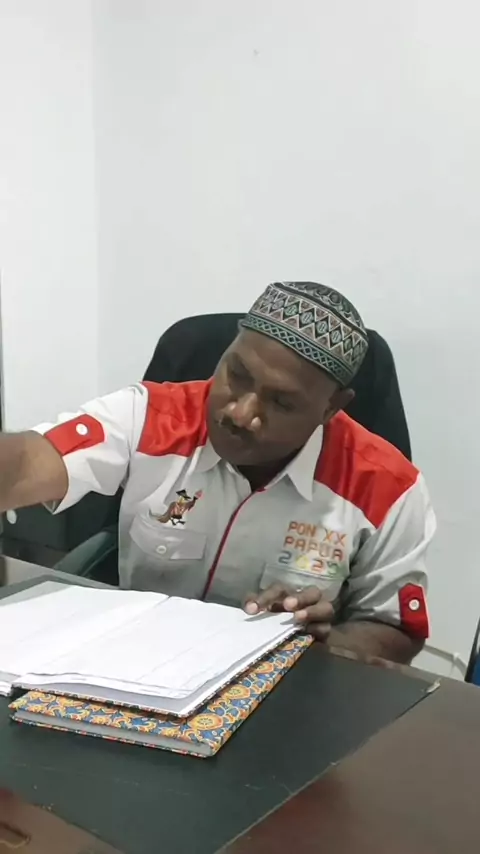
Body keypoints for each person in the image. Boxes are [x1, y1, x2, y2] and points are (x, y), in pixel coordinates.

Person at [0, 282, 435, 663]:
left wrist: (322, 643)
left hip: (283, 693)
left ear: (331, 408)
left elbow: (395, 632)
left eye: (281, 402)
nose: (241, 413)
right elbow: (24, 465)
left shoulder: (387, 488)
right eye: (237, 375)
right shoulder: (151, 417)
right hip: (138, 664)